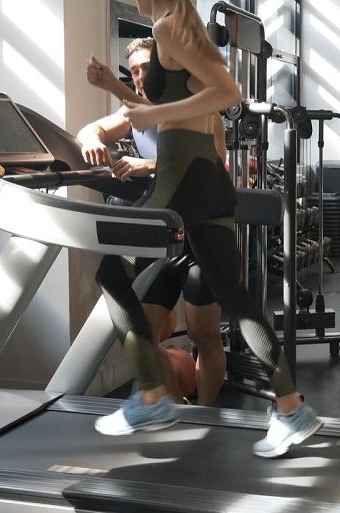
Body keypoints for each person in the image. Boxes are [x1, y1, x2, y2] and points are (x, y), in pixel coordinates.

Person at [85, 0, 319, 457]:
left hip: (184, 174)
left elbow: (227, 92)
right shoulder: (179, 25)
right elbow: (182, 106)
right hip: (209, 179)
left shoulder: (168, 28)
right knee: (237, 301)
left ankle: (150, 393)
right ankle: (290, 407)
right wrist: (123, 95)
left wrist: (144, 117)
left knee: (108, 273)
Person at [77, 37, 227, 407]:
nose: (142, 76)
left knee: (203, 335)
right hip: (160, 239)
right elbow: (90, 130)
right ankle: (177, 408)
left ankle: (208, 415)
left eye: (149, 67)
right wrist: (91, 142)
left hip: (203, 240)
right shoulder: (133, 116)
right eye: (137, 71)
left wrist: (151, 165)